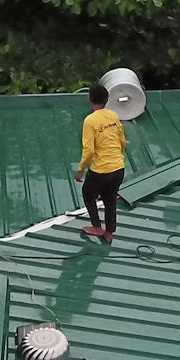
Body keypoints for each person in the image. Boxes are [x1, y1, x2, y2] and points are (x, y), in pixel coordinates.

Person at [74, 82, 127, 243]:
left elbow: (89, 150)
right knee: (110, 200)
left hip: (101, 171)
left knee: (88, 195)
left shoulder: (90, 121)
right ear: (107, 99)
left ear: (90, 99)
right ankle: (109, 231)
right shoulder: (113, 116)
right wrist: (117, 157)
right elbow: (122, 140)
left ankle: (97, 227)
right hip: (118, 168)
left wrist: (80, 169)